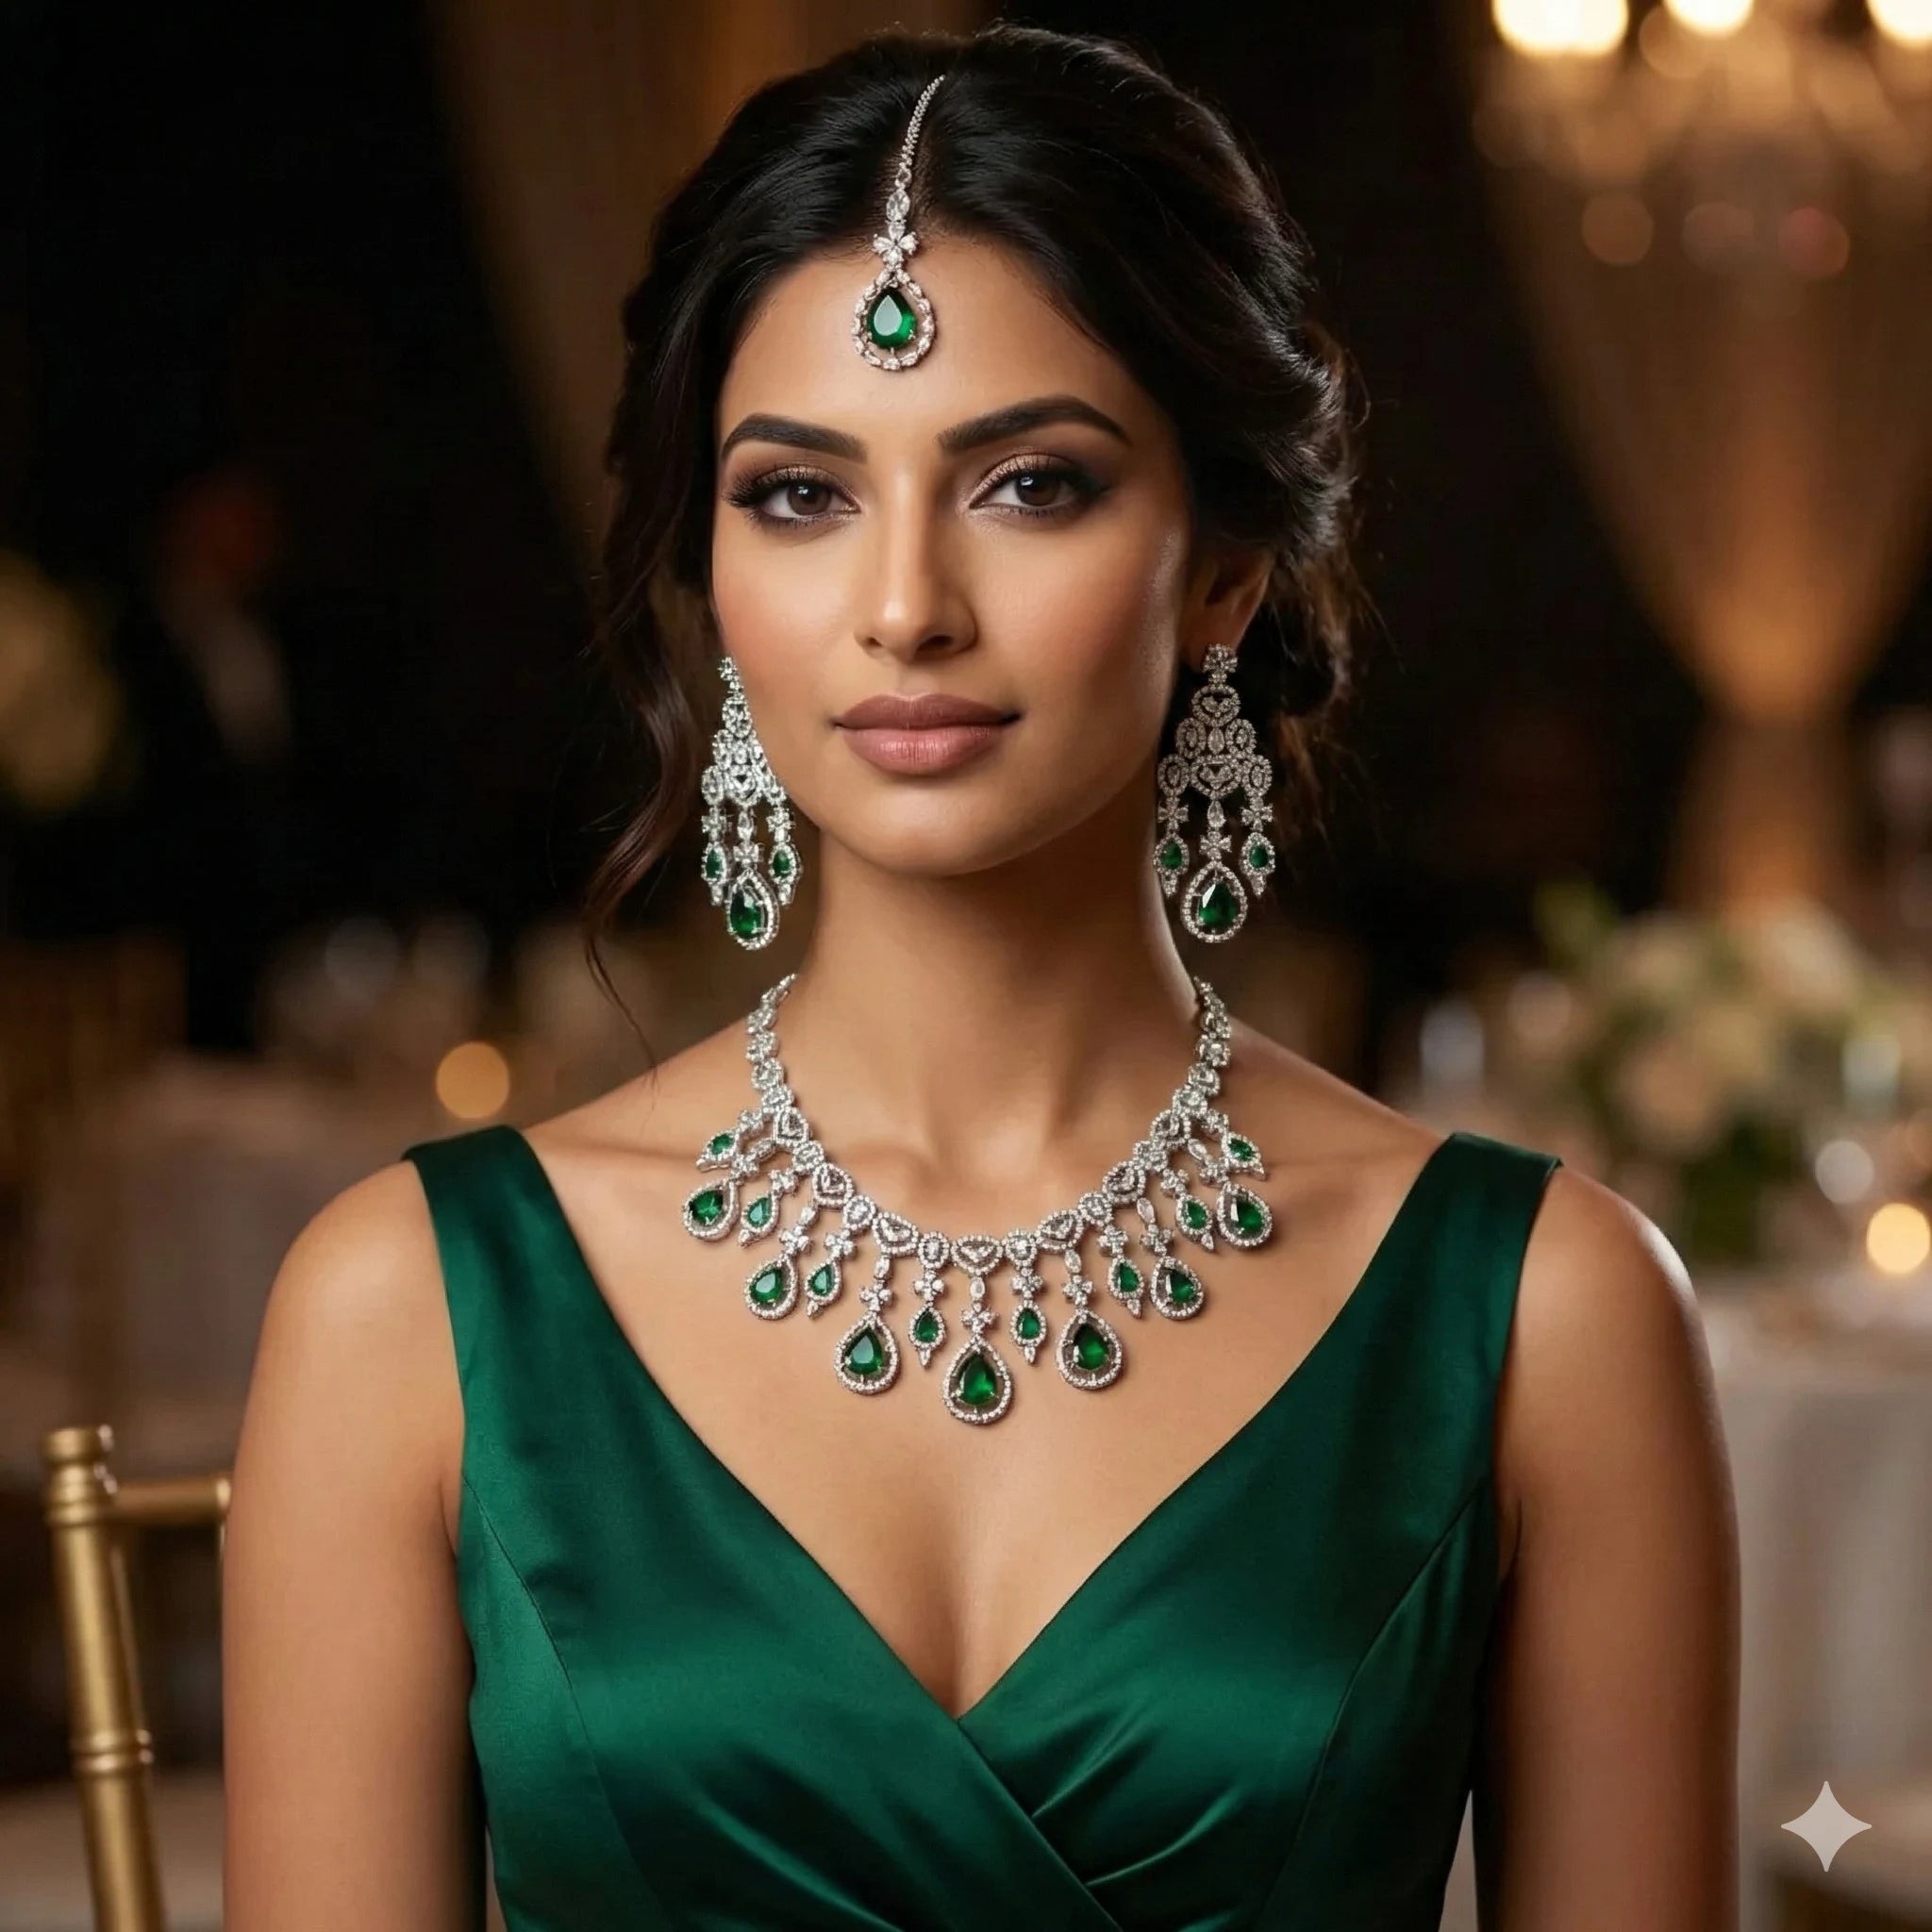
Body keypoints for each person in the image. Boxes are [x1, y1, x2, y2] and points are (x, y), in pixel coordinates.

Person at [221, 23, 1739, 1929]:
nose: (904, 603)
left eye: (1030, 483)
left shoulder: (1544, 1313)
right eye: (799, 493)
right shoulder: (410, 1308)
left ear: (1223, 570)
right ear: (708, 566)